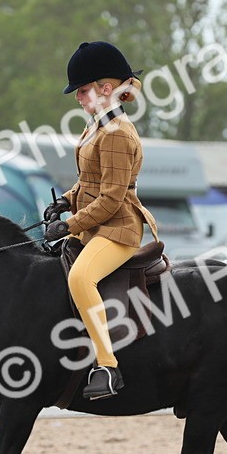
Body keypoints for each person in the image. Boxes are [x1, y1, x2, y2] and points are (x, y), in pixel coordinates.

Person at [44, 41, 159, 401]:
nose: (77, 98)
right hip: (97, 224)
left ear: (105, 88)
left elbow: (110, 198)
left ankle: (107, 366)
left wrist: (71, 224)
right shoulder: (98, 126)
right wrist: (64, 201)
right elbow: (90, 180)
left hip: (118, 228)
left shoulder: (117, 134)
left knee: (81, 277)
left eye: (82, 90)